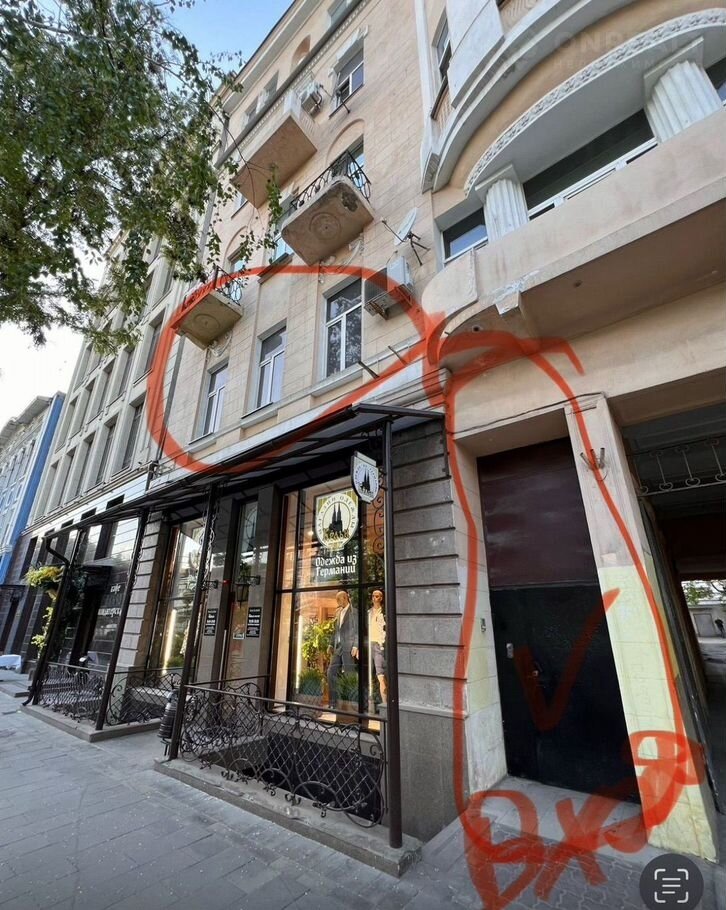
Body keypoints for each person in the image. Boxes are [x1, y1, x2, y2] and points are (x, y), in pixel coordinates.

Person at [327, 590, 358, 707]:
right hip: (338, 647)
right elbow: (336, 631)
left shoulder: (354, 612)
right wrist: (331, 644)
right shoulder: (339, 612)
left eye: (338, 599)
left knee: (349, 674)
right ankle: (333, 702)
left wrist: (356, 645)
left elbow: (357, 630)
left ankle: (352, 703)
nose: (337, 601)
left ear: (345, 598)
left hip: (348, 647)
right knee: (331, 673)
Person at [368, 589, 387, 704]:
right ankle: (371, 702)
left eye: (378, 596)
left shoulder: (384, 612)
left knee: (381, 675)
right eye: (374, 596)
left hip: (379, 645)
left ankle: (385, 704)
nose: (375, 598)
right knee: (369, 674)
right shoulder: (368, 612)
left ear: (381, 598)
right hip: (369, 644)